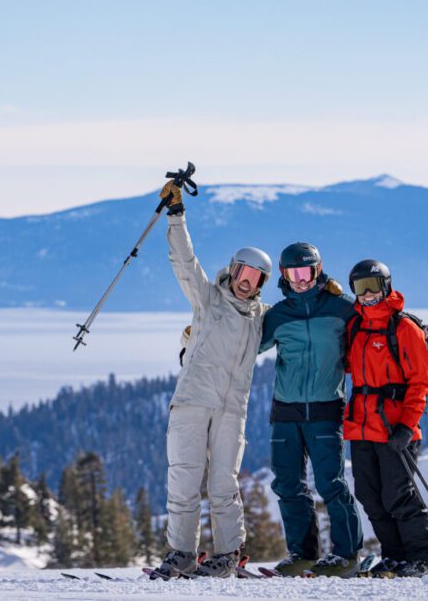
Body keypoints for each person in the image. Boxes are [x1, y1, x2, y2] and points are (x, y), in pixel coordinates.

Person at [153, 180, 272, 579]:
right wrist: (176, 215)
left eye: (256, 277)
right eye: (243, 271)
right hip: (192, 401)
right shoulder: (208, 299)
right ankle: (182, 553)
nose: (246, 280)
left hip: (231, 410)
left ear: (261, 284)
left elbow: (301, 312)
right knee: (184, 478)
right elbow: (184, 262)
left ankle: (227, 555)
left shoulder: (260, 317)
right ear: (232, 269)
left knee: (224, 483)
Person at [259, 242, 363, 577]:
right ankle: (302, 555)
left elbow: (378, 322)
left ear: (318, 270)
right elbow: (243, 344)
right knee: (288, 483)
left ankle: (347, 555)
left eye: (307, 272)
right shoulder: (276, 315)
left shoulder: (341, 307)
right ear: (284, 275)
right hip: (286, 410)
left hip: (325, 408)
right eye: (294, 273)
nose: (301, 280)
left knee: (331, 482)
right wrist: (199, 338)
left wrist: (425, 331)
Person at [343, 259, 428, 578]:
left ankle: (422, 556)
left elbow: (420, 383)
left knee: (398, 494)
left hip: (394, 426)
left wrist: (407, 426)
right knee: (370, 496)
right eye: (360, 288)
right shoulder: (355, 326)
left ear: (386, 286)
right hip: (361, 426)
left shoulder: (403, 327)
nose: (367, 295)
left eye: (372, 287)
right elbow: (346, 364)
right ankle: (395, 556)